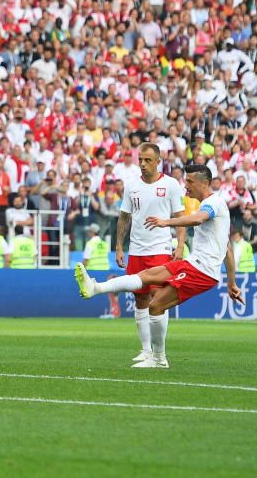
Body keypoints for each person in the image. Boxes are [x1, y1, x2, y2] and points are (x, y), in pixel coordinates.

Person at [75, 165, 243, 369]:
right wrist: (231, 283)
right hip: (193, 265)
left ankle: (158, 359)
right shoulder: (213, 207)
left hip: (201, 271)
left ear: (205, 183)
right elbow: (227, 249)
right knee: (145, 276)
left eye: (190, 182)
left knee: (155, 306)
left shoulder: (213, 203)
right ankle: (96, 288)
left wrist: (166, 222)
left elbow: (200, 219)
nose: (186, 186)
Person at [114, 143, 186, 363]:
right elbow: (125, 217)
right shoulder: (132, 185)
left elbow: (179, 216)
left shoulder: (171, 185)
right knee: (140, 298)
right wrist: (119, 245)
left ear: (158, 161)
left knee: (158, 298)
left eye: (147, 160)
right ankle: (146, 350)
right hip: (136, 250)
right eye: (140, 160)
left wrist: (180, 244)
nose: (143, 164)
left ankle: (159, 353)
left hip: (160, 249)